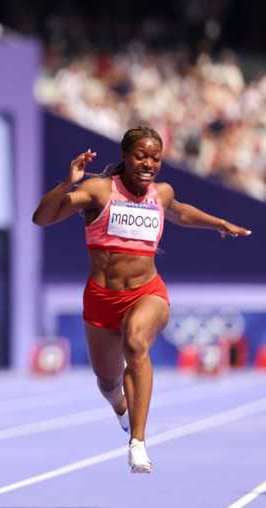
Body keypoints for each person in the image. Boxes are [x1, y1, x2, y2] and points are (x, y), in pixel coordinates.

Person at [32, 126, 251, 474]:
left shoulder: (160, 194)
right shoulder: (99, 191)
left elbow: (180, 212)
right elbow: (41, 218)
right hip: (101, 299)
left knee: (136, 343)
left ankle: (138, 442)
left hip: (147, 293)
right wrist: (67, 184)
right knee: (107, 382)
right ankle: (120, 406)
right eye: (141, 156)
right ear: (125, 156)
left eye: (155, 157)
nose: (149, 163)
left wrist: (219, 222)